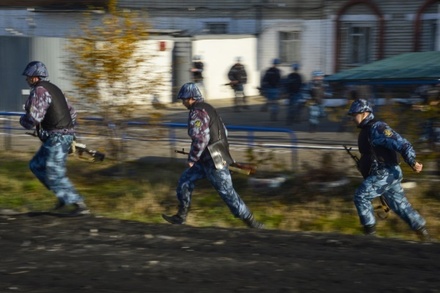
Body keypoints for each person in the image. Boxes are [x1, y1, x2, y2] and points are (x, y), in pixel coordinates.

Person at [162, 82, 263, 229]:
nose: (183, 103)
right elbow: (224, 132)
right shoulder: (209, 108)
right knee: (185, 181)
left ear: (191, 98)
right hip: (210, 158)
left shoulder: (197, 112)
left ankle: (253, 223)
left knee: (228, 194)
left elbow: (201, 138)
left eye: (184, 99)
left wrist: (192, 158)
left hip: (214, 161)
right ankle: (181, 216)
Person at [347, 99, 430, 241]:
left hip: (386, 173)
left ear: (365, 113)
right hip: (385, 174)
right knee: (399, 204)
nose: (353, 118)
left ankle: (370, 237)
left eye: (355, 114)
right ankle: (422, 233)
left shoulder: (377, 128)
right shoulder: (367, 131)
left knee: (361, 197)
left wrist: (412, 162)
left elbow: (403, 144)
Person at [19, 61, 90, 215]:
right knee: (36, 166)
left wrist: (22, 120)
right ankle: (64, 197)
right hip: (59, 136)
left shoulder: (39, 91)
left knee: (53, 172)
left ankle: (78, 203)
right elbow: (72, 112)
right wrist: (69, 133)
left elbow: (33, 119)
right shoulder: (55, 89)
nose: (27, 79)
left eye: (29, 76)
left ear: (36, 77)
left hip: (58, 138)